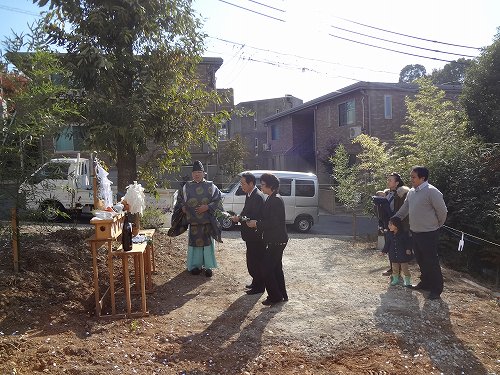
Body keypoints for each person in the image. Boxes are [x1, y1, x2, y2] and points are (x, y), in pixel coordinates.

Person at [394, 166, 447, 300]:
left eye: (413, 177)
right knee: (421, 260)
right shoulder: (412, 192)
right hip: (415, 232)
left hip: (429, 233)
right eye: (411, 176)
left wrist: (436, 225)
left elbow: (443, 211)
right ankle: (426, 283)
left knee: (431, 261)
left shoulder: (432, 192)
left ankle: (436, 289)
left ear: (422, 178)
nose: (411, 179)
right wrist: (396, 218)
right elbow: (405, 208)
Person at [172, 160, 223, 277]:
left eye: (199, 172)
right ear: (192, 174)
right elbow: (179, 200)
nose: (197, 174)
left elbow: (218, 200)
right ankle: (195, 266)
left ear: (204, 173)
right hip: (194, 222)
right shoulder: (186, 187)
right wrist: (182, 207)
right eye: (195, 172)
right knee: (195, 246)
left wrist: (208, 207)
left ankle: (209, 267)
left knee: (208, 245)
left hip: (207, 222)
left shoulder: (211, 186)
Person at [247, 173, 288, 306]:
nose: (261, 187)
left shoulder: (275, 199)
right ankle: (282, 294)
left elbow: (273, 222)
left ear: (271, 186)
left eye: (263, 184)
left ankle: (275, 296)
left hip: (276, 240)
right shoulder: (272, 198)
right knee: (276, 268)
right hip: (275, 239)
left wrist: (257, 224)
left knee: (266, 268)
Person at [231, 172, 266, 295]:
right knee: (251, 259)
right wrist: (239, 216)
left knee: (256, 260)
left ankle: (260, 286)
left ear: (251, 183)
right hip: (250, 235)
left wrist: (239, 219)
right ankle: (255, 282)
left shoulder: (257, 196)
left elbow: (253, 216)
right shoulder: (250, 194)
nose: (241, 186)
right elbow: (246, 211)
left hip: (256, 235)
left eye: (243, 183)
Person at [378, 173, 410, 277]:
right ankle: (393, 269)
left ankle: (399, 271)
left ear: (397, 183)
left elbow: (402, 211)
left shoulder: (402, 193)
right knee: (391, 246)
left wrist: (397, 224)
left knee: (399, 247)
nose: (388, 182)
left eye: (390, 180)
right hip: (388, 223)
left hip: (399, 224)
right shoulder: (387, 193)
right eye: (388, 180)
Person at [380, 216, 413, 287]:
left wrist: (408, 249)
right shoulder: (389, 234)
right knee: (395, 268)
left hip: (402, 254)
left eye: (391, 224)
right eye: (389, 224)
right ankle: (395, 279)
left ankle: (407, 280)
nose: (389, 226)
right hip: (393, 255)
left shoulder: (404, 234)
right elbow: (387, 244)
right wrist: (384, 251)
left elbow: (408, 242)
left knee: (405, 268)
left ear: (396, 225)